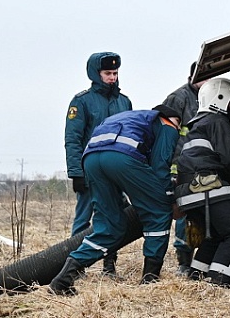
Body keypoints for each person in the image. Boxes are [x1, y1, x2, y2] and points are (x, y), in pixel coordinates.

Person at [50, 105, 182, 294]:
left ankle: (62, 280)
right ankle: (149, 281)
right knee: (158, 212)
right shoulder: (167, 124)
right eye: (179, 124)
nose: (178, 129)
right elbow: (160, 165)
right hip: (122, 158)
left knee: (109, 226)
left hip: (91, 159)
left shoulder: (130, 118)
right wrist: (169, 198)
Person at [174, 78, 230, 287]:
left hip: (188, 193)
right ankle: (219, 285)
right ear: (220, 99)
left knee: (216, 236)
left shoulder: (197, 126)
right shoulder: (218, 121)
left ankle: (197, 282)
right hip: (209, 187)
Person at [65, 52, 132, 276]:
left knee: (115, 217)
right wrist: (76, 173)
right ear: (96, 74)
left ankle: (109, 264)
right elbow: (73, 139)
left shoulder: (124, 102)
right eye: (107, 73)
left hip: (117, 171)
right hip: (89, 172)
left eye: (115, 73)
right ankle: (75, 269)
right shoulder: (81, 101)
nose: (112, 78)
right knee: (83, 220)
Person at [161, 61, 208, 276]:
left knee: (200, 212)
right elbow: (166, 134)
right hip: (179, 167)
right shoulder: (178, 98)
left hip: (201, 166)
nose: (208, 83)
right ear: (193, 77)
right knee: (183, 212)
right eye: (204, 78)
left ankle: (200, 260)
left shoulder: (209, 97)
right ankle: (183, 261)